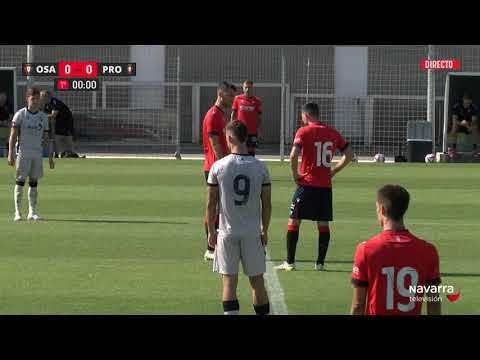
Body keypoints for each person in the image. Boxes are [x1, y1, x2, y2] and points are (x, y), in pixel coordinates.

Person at [275, 102, 353, 271]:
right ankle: (320, 263)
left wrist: (295, 175)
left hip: (307, 185)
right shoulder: (332, 132)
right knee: (323, 224)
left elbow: (293, 155)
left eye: (302, 116)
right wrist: (334, 171)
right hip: (325, 187)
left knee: (294, 220)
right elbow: (349, 154)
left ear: (306, 115)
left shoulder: (303, 132)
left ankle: (290, 262)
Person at [206, 120, 272, 315]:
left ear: (230, 138)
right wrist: (264, 230)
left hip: (227, 233)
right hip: (252, 233)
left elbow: (211, 204)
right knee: (257, 282)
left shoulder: (218, 167)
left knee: (229, 282)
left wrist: (211, 231)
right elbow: (266, 204)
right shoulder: (260, 167)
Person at [350, 185, 441, 315]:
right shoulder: (428, 250)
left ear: (381, 210)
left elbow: (358, 305)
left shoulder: (365, 249)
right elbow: (434, 301)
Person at [8, 87, 55, 221]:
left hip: (37, 153)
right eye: (32, 99)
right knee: (20, 182)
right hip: (23, 152)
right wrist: (11, 153)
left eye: (37, 99)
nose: (35, 102)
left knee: (34, 182)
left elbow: (46, 138)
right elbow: (13, 135)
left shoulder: (43, 117)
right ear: (27, 99)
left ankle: (32, 212)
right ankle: (17, 212)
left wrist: (50, 157)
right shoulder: (20, 115)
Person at [202, 81, 236, 261]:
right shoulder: (214, 115)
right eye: (230, 96)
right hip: (215, 168)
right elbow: (215, 143)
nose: (232, 100)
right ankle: (210, 247)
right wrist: (226, 164)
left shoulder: (222, 115)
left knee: (221, 208)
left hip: (219, 166)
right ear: (220, 94)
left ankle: (216, 244)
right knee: (214, 207)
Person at [39, 90, 77, 158]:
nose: (40, 99)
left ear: (46, 97)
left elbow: (53, 115)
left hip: (66, 122)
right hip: (58, 123)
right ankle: (59, 153)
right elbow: (48, 116)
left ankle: (71, 153)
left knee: (67, 138)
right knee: (56, 137)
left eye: (41, 97)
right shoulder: (46, 105)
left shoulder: (54, 102)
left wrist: (39, 117)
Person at [231, 80, 262, 156]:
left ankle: (250, 167)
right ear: (243, 88)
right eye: (246, 87)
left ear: (252, 88)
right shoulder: (237, 99)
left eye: (250, 87)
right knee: (239, 151)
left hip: (252, 132)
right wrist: (231, 128)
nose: (248, 89)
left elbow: (259, 117)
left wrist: (259, 130)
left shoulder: (257, 101)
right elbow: (233, 115)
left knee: (251, 152)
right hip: (240, 131)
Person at [448, 93, 480, 158]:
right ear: (463, 100)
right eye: (465, 101)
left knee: (475, 128)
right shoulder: (457, 106)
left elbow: (474, 120)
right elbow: (454, 120)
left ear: (471, 101)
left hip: (468, 125)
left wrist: (469, 126)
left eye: (468, 102)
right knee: (454, 127)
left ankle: (475, 150)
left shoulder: (474, 108)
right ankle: (453, 149)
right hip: (458, 125)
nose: (467, 103)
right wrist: (461, 123)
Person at [0, 91, 13, 156]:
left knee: (11, 127)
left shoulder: (8, 105)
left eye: (4, 98)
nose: (3, 99)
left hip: (6, 124)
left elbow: (11, 117)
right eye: (1, 97)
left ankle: (9, 152)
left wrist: (7, 122)